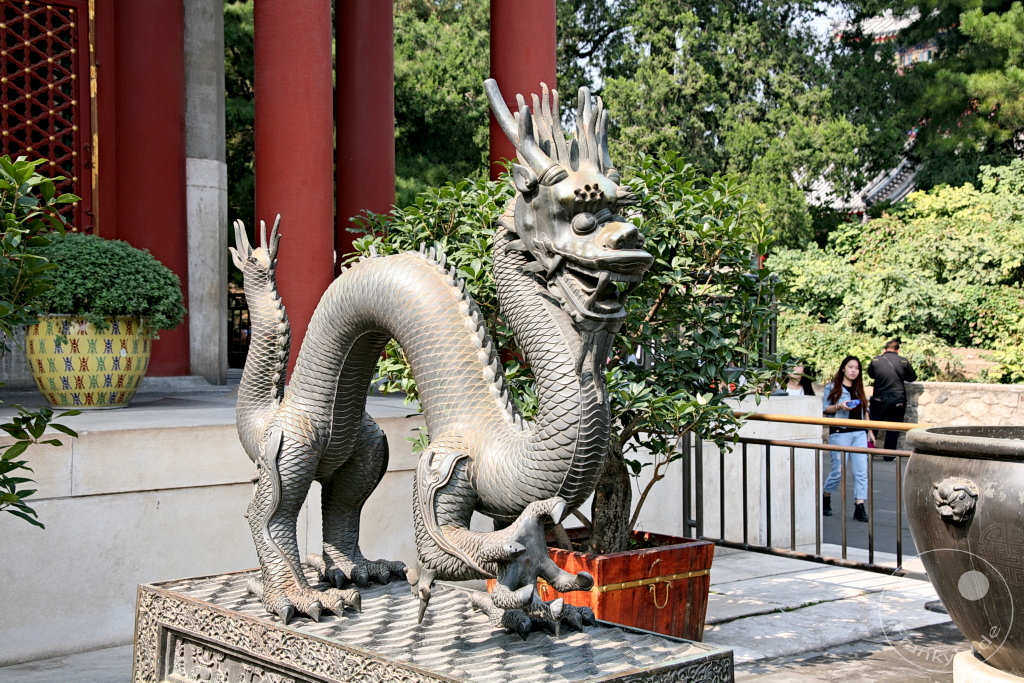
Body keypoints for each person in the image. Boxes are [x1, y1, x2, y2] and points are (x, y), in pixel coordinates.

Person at [822, 356, 876, 522]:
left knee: (861, 471)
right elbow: (825, 409)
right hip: (840, 432)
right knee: (838, 471)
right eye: (851, 367)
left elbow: (865, 410)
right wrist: (840, 406)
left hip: (859, 432)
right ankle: (826, 496)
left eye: (857, 368)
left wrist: (870, 430)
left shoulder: (859, 388)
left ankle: (859, 506)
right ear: (843, 368)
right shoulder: (832, 387)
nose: (854, 370)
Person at [868, 338, 917, 459]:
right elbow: (912, 378)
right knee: (893, 428)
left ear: (884, 350)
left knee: (873, 425)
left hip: (879, 398)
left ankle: (868, 452)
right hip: (897, 399)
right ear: (898, 350)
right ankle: (889, 456)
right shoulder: (903, 361)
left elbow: (871, 375)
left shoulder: (876, 360)